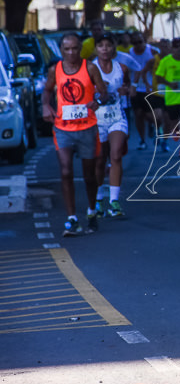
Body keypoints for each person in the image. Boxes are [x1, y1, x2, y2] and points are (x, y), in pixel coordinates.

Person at [42, 33, 109, 236]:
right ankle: (71, 219)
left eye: (74, 49)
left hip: (87, 128)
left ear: (80, 49)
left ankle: (91, 211)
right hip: (63, 129)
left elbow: (104, 93)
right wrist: (45, 105)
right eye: (66, 49)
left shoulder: (90, 68)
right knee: (65, 172)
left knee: (89, 176)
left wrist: (97, 100)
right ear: (61, 50)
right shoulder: (56, 70)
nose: (71, 53)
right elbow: (46, 90)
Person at [92, 34, 133, 217]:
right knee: (100, 159)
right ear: (96, 49)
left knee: (116, 155)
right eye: (101, 45)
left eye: (109, 45)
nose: (105, 49)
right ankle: (98, 198)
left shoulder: (121, 68)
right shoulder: (90, 69)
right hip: (97, 119)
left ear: (114, 48)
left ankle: (114, 201)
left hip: (117, 116)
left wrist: (127, 91)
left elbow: (129, 88)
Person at [128, 31, 162, 150]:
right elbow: (127, 69)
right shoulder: (130, 52)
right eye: (135, 42)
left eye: (140, 42)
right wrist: (129, 85)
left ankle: (153, 126)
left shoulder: (152, 51)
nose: (138, 45)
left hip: (150, 87)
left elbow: (161, 64)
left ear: (144, 41)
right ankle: (142, 140)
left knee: (152, 115)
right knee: (138, 114)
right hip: (136, 87)